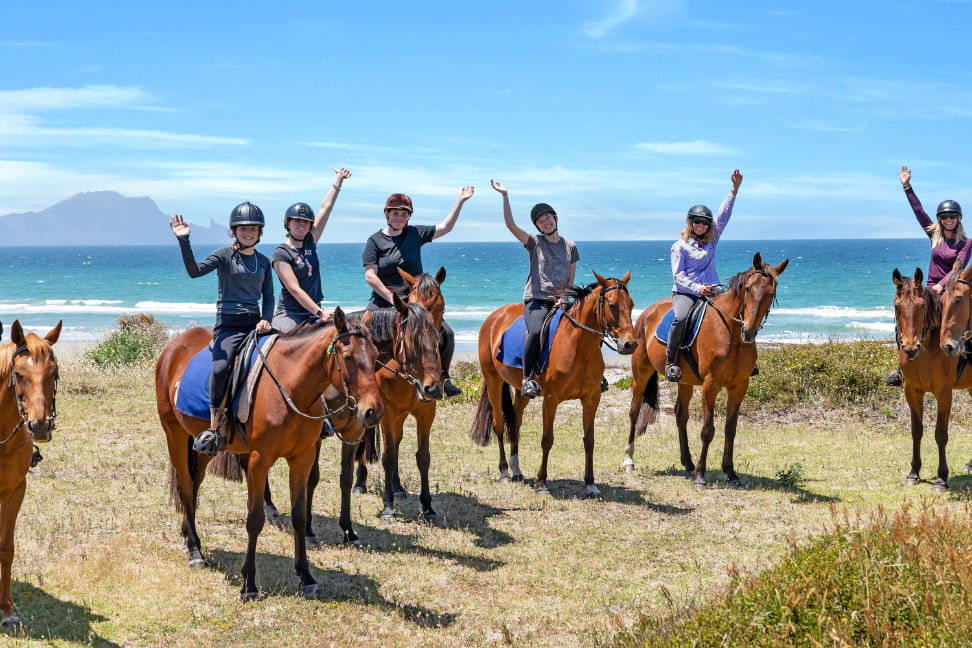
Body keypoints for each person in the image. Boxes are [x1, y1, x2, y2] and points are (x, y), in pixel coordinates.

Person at [170, 203, 274, 455]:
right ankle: (215, 426)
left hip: (256, 324)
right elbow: (194, 272)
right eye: (243, 229)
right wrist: (184, 241)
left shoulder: (263, 262)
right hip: (229, 325)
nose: (248, 233)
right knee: (220, 367)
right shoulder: (224, 255)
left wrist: (266, 318)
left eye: (253, 229)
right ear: (234, 231)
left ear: (260, 232)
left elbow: (269, 298)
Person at [362, 186, 474, 398]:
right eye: (395, 213)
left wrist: (460, 201)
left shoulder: (415, 233)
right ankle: (363, 386)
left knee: (446, 333)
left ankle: (444, 378)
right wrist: (391, 299)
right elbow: (370, 276)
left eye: (404, 214)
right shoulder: (375, 241)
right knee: (363, 335)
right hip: (384, 300)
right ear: (387, 214)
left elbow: (446, 227)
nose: (399, 217)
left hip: (416, 302)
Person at [491, 180, 579, 398]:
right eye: (541, 221)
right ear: (538, 226)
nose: (546, 222)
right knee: (536, 331)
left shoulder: (570, 246)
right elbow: (511, 225)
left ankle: (595, 375)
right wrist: (505, 196)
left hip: (561, 300)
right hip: (537, 300)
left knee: (586, 325)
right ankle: (528, 378)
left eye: (548, 217)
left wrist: (563, 297)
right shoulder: (534, 242)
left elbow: (570, 278)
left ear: (555, 218)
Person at [887, 165, 972, 386]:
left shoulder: (966, 243)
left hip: (950, 288)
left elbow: (957, 267)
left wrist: (941, 286)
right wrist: (907, 186)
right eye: (944, 217)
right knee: (908, 317)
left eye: (952, 216)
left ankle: (969, 354)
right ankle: (901, 369)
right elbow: (919, 212)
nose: (948, 219)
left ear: (959, 218)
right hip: (930, 289)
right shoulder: (935, 235)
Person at [666, 169, 744, 382]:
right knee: (680, 318)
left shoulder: (712, 239)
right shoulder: (679, 246)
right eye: (696, 221)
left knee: (739, 310)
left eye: (704, 222)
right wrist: (697, 288)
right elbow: (678, 276)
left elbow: (724, 215)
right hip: (686, 292)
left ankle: (745, 359)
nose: (701, 225)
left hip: (713, 288)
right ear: (689, 222)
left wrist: (734, 190)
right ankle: (671, 363)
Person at [271, 168, 351, 332]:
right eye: (297, 221)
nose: (302, 224)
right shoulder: (281, 253)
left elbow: (325, 208)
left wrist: (338, 180)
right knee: (293, 345)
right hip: (290, 314)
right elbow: (294, 289)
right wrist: (319, 312)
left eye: (306, 222)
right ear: (288, 223)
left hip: (314, 312)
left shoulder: (310, 241)